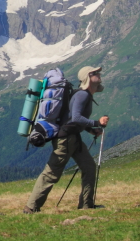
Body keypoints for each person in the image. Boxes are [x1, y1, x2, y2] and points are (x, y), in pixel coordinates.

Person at [23, 66, 108, 213]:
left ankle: (86, 205)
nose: (99, 75)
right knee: (51, 173)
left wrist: (91, 129)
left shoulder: (84, 95)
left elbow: (72, 119)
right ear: (88, 77)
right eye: (95, 73)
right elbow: (75, 118)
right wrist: (97, 123)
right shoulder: (82, 95)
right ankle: (31, 207)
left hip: (73, 137)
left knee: (89, 167)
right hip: (66, 139)